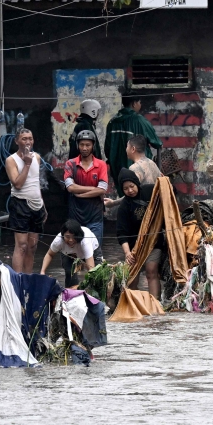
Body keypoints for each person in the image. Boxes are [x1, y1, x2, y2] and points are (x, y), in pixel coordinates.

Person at [4, 128, 47, 273]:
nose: (28, 141)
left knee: (32, 246)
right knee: (21, 245)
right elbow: (18, 184)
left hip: (36, 204)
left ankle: (28, 277)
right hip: (20, 204)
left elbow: (36, 183)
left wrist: (43, 206)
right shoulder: (11, 160)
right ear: (17, 141)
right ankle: (18, 278)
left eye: (30, 138)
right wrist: (27, 164)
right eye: (24, 139)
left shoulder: (37, 157)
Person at [115, 169, 161, 300]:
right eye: (125, 188)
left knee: (151, 270)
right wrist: (127, 253)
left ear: (137, 183)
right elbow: (121, 232)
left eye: (132, 186)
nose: (130, 190)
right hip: (134, 246)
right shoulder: (124, 206)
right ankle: (135, 303)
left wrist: (165, 182)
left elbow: (170, 191)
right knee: (132, 275)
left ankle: (155, 303)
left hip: (154, 241)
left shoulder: (148, 191)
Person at [63, 129, 109, 255]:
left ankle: (93, 275)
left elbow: (103, 188)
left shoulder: (101, 165)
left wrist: (80, 194)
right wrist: (94, 190)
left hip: (95, 216)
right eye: (82, 145)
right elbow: (70, 188)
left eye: (88, 145)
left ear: (93, 146)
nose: (84, 148)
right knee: (74, 253)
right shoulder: (70, 164)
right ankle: (75, 276)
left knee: (96, 252)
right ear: (77, 145)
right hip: (75, 216)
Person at [103, 95, 162, 192]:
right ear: (134, 104)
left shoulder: (112, 122)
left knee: (125, 193)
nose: (140, 105)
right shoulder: (140, 121)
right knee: (138, 193)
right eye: (139, 102)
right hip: (138, 167)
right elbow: (157, 143)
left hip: (117, 167)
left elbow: (107, 148)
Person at [41, 219, 99, 287]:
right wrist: (42, 272)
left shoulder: (85, 242)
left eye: (74, 237)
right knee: (70, 272)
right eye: (67, 237)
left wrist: (88, 285)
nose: (71, 240)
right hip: (69, 254)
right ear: (63, 235)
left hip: (92, 250)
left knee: (98, 274)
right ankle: (71, 292)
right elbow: (49, 254)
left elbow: (91, 269)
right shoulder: (59, 240)